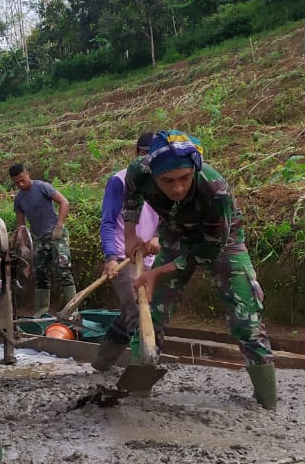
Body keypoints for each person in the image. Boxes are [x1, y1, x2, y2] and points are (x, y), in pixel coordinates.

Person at [91, 131, 278, 410]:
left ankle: (267, 403)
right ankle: (137, 391)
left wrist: (157, 272)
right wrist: (130, 234)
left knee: (245, 320)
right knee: (151, 314)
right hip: (175, 238)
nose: (177, 189)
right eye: (167, 181)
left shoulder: (215, 191)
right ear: (152, 173)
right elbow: (131, 194)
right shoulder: (139, 170)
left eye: (184, 179)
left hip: (222, 243)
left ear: (194, 169)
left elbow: (208, 252)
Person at [98, 132, 161, 349]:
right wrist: (111, 257)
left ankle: (103, 359)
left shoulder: (165, 180)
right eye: (145, 154)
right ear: (137, 153)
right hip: (123, 256)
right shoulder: (119, 181)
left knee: (135, 309)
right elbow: (107, 222)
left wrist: (157, 236)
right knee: (136, 310)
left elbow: (168, 217)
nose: (149, 160)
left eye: (155, 155)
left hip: (150, 257)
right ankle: (143, 363)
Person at [10, 162, 76, 316]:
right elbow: (21, 226)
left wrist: (59, 226)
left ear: (28, 174)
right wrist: (22, 245)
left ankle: (73, 311)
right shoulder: (19, 199)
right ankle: (41, 312)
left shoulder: (42, 187)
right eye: (16, 183)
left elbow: (64, 202)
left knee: (63, 270)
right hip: (39, 239)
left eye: (22, 180)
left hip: (55, 234)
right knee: (40, 274)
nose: (20, 184)